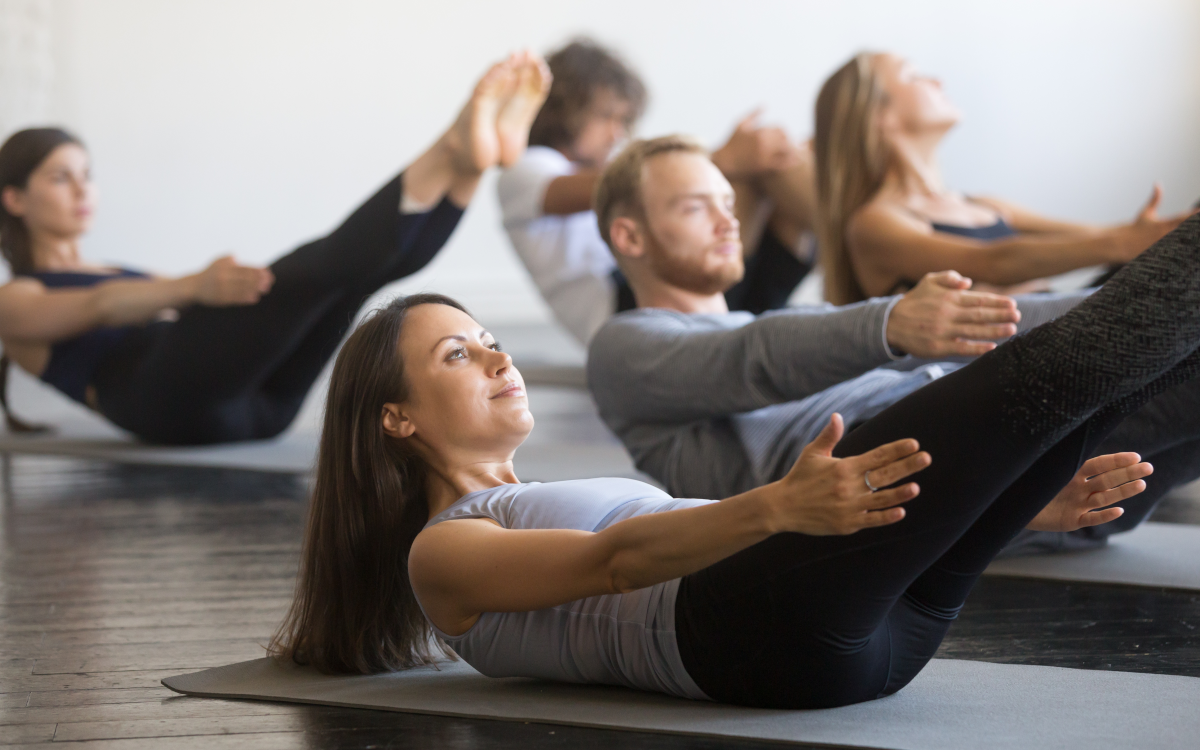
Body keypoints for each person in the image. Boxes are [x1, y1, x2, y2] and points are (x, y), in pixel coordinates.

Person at [270, 210, 1200, 712]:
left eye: (487, 338)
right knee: (1055, 367)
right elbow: (617, 563)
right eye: (457, 356)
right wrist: (777, 507)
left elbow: (665, 548)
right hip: (748, 635)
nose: (497, 357)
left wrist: (1027, 504)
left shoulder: (533, 496)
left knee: (1086, 409)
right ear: (393, 420)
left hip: (863, 638)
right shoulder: (441, 552)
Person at [586, 136, 1200, 552]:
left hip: (1011, 477)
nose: (729, 221)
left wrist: (1125, 301)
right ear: (629, 236)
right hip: (964, 461)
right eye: (697, 208)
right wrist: (890, 324)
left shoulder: (803, 323)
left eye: (728, 202)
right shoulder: (623, 349)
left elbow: (996, 320)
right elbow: (751, 358)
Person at [0, 52, 551, 445]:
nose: (82, 191)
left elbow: (141, 302)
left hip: (264, 410)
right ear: (15, 199)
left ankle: (468, 166)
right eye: (60, 178)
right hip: (169, 406)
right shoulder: (16, 299)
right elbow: (102, 306)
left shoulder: (114, 269)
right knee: (316, 267)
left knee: (355, 277)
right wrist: (194, 286)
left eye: (86, 176)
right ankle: (452, 145)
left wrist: (198, 296)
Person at [497, 38, 814, 345]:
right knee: (751, 170)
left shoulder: (593, 168)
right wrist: (727, 158)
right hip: (631, 308)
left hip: (686, 286)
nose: (617, 133)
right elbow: (618, 187)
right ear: (565, 110)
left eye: (624, 119)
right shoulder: (525, 168)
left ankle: (846, 234)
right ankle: (850, 238)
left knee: (777, 164)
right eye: (607, 116)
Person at [814, 52, 1194, 305]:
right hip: (1012, 364)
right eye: (913, 75)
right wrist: (1126, 242)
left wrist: (1153, 235)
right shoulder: (874, 223)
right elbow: (992, 262)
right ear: (878, 116)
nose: (937, 80)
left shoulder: (984, 205)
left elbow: (1099, 237)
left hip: (1062, 323)